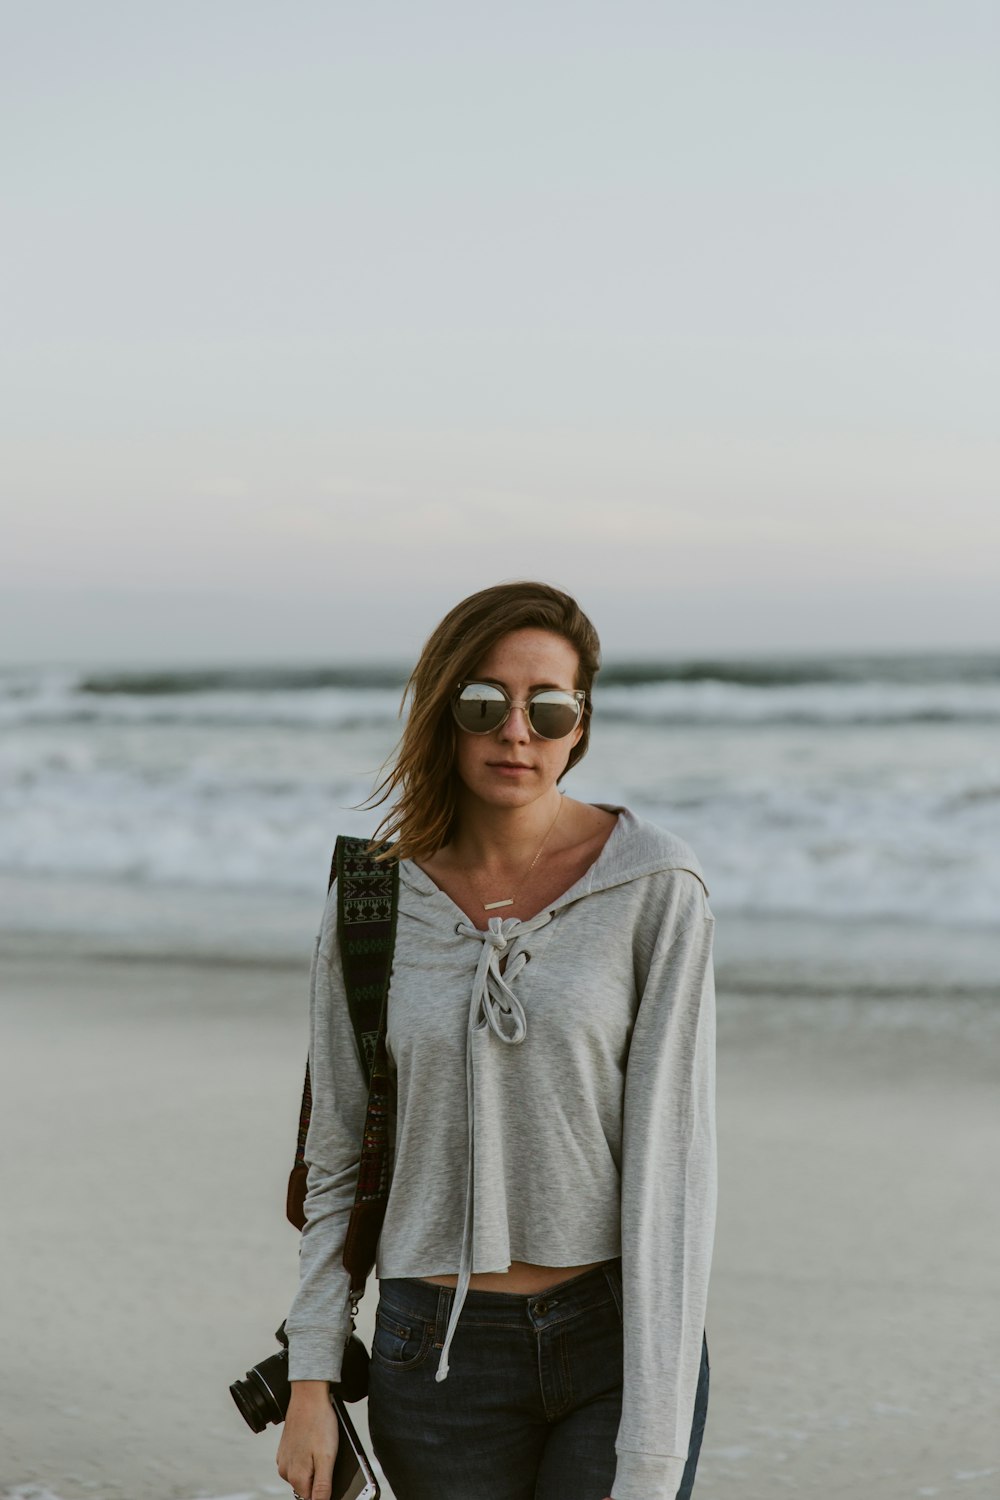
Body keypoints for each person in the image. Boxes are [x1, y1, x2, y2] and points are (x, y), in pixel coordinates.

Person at [277, 581, 717, 1500]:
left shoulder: (657, 887)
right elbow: (333, 1159)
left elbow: (675, 1173)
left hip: (615, 1341)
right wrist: (312, 1378)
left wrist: (654, 1440)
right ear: (445, 713)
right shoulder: (370, 899)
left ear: (579, 725)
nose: (517, 731)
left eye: (547, 707)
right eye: (485, 703)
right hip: (431, 1361)